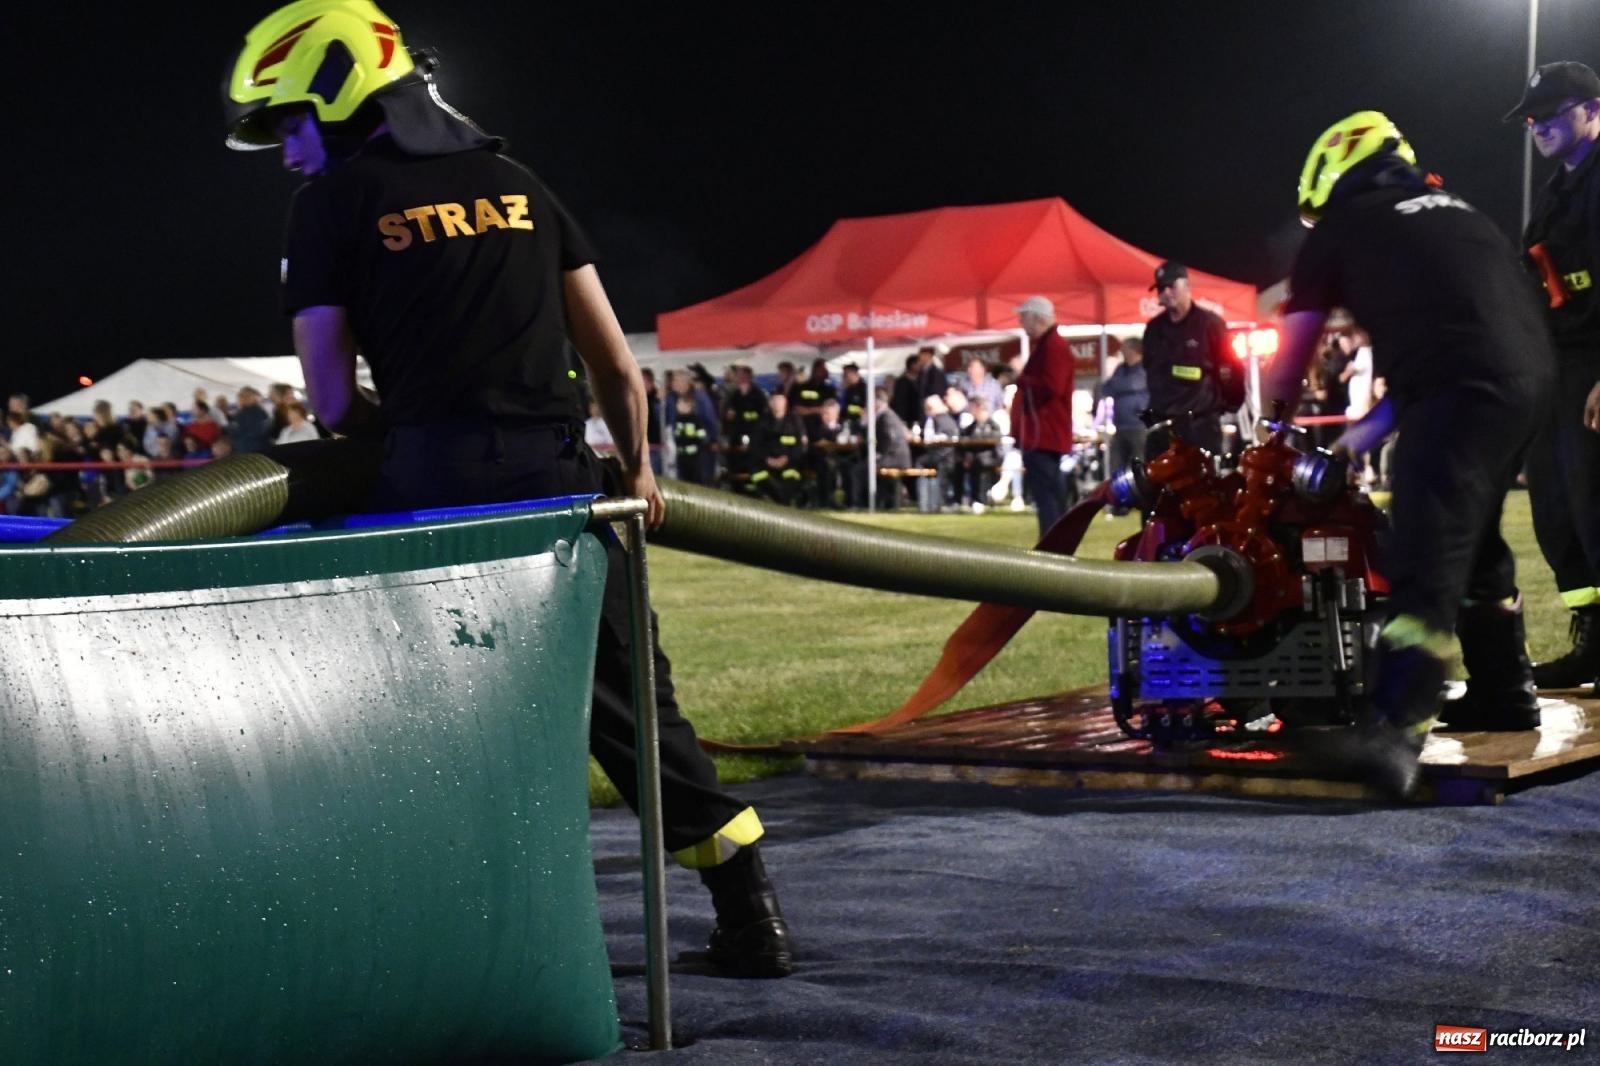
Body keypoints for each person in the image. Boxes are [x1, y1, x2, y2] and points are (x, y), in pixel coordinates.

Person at [224, 0, 790, 977]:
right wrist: (641, 469)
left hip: (432, 492)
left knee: (445, 728)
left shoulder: (329, 207)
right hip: (565, 490)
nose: (284, 153)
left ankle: (474, 950)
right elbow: (615, 360)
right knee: (636, 718)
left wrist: (394, 436)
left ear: (334, 88)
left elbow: (326, 396)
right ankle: (754, 917)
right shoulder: (518, 183)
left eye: (288, 124)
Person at [1261, 110, 1554, 797]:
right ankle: (1506, 692)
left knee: (1423, 548)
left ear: (1329, 178)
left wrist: (1275, 425)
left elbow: (1295, 347)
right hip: (1529, 380)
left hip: (1464, 387)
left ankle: (1395, 730)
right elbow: (1453, 354)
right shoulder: (1456, 212)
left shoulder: (1344, 224)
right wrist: (1349, 438)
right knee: (1475, 538)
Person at [1503, 61, 1600, 694]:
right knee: (1558, 511)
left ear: (1592, 108)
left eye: (1552, 111)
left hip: (1595, 364)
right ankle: (1591, 638)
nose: (1536, 124)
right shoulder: (1560, 187)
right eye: (1531, 115)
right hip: (1558, 367)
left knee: (1596, 506)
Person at [1141, 260, 1244, 458]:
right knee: (1151, 484)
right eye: (1161, 288)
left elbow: (1233, 370)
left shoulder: (1210, 324)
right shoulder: (1154, 329)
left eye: (1172, 286)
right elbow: (1149, 370)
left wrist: (1228, 406)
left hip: (1199, 425)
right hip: (1162, 424)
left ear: (1187, 286)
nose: (1166, 293)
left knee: (1201, 486)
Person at [1011, 295, 1076, 535]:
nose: (1021, 322)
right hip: (1045, 434)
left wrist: (1021, 378)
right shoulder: (1050, 345)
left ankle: (1052, 542)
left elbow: (1052, 387)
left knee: (1048, 495)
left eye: (1023, 317)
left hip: (1044, 435)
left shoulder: (1053, 347)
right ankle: (1056, 541)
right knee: (1050, 494)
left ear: (1037, 318)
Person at [1099, 336, 1149, 476]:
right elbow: (1106, 388)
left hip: (1138, 426)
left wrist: (1119, 386)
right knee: (1116, 467)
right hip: (1120, 427)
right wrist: (1122, 386)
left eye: (1124, 347)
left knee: (1138, 466)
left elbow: (1134, 384)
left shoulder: (1145, 368)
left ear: (1133, 349)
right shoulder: (1121, 369)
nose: (1121, 350)